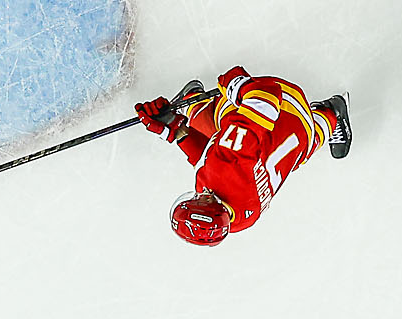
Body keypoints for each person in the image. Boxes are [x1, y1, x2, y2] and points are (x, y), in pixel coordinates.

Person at [135, 66, 351, 245]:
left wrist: (174, 130)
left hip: (300, 133)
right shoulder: (227, 160)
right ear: (207, 199)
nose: (197, 194)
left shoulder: (237, 222)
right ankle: (195, 103)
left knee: (299, 149)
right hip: (284, 100)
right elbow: (267, 97)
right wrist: (236, 83)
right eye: (197, 199)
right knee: (218, 125)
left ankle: (331, 113)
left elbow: (205, 160)